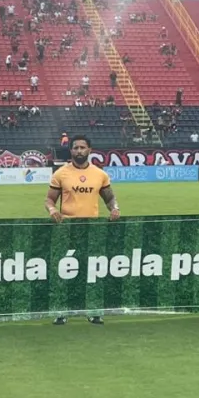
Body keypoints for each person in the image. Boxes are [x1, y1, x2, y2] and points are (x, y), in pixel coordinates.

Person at [44, 135, 120, 326]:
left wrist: (115, 208)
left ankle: (93, 311)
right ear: (71, 150)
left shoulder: (100, 174)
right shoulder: (61, 174)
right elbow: (50, 199)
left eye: (82, 147)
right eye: (76, 148)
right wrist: (52, 210)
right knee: (65, 270)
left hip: (92, 229)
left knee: (91, 271)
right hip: (67, 230)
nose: (79, 151)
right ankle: (62, 311)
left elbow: (110, 198)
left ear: (89, 150)